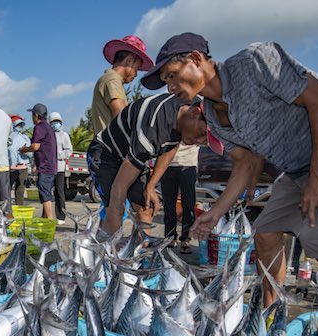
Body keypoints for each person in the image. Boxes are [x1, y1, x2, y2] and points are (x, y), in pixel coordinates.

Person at [141, 32, 318, 303]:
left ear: (196, 59)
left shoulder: (254, 61)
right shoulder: (212, 115)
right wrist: (215, 213)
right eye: (166, 81)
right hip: (298, 167)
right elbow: (246, 163)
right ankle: (270, 320)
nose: (170, 87)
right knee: (265, 236)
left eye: (172, 75)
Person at [92, 94, 224, 236]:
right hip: (106, 154)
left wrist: (151, 185)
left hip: (133, 154)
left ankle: (138, 255)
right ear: (194, 113)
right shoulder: (152, 130)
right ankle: (105, 251)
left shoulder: (195, 102)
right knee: (115, 209)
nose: (199, 141)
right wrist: (114, 237)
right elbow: (120, 186)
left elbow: (171, 146)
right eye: (203, 133)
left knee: (146, 208)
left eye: (205, 141)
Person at [91, 35, 154, 135]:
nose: (136, 74)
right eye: (136, 69)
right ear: (129, 61)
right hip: (111, 148)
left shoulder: (109, 79)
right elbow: (122, 118)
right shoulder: (113, 80)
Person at [19, 103, 57, 219]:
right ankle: (45, 219)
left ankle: (49, 220)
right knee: (46, 192)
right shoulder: (48, 127)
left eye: (32, 115)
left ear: (35, 115)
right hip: (51, 166)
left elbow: (35, 146)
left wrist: (24, 149)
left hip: (45, 167)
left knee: (45, 193)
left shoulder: (39, 127)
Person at [161, 143, 199, 253]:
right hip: (167, 164)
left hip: (188, 163)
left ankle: (185, 239)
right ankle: (170, 237)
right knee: (168, 204)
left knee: (188, 205)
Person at [49, 112, 73, 223]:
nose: (55, 124)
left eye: (57, 122)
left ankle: (61, 216)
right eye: (53, 122)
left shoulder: (64, 135)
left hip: (59, 167)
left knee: (59, 192)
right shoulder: (49, 135)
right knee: (48, 193)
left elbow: (69, 151)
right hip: (49, 168)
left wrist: (58, 155)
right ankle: (47, 215)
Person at [8, 114, 31, 205]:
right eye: (17, 125)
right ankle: (6, 210)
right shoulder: (8, 137)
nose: (19, 127)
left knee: (20, 192)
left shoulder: (25, 138)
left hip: (23, 167)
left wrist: (25, 151)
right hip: (10, 167)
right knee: (6, 191)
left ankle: (19, 209)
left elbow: (31, 153)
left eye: (21, 125)